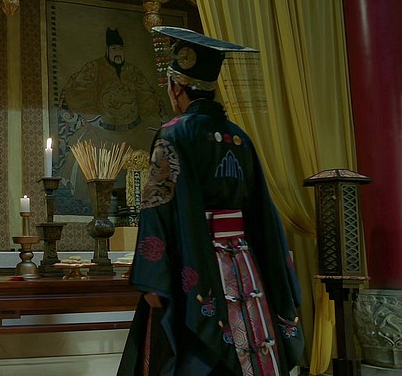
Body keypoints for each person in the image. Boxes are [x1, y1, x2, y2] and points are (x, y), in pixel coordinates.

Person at [119, 26, 304, 375]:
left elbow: (158, 207)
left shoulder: (173, 133)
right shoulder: (241, 138)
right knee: (250, 345)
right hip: (246, 265)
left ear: (176, 87)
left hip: (195, 260)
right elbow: (262, 210)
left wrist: (152, 278)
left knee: (191, 354)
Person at [58, 27, 164, 202]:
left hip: (134, 130)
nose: (118, 52)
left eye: (120, 49)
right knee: (83, 158)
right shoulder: (94, 68)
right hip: (103, 131)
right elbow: (76, 92)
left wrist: (145, 114)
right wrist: (94, 117)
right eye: (114, 48)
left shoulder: (132, 71)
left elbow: (147, 96)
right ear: (107, 50)